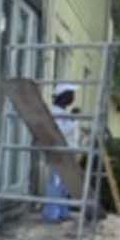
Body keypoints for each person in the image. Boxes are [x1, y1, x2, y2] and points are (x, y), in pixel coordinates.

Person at [42, 86, 79, 223]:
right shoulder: (54, 112)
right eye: (70, 94)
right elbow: (59, 131)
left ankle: (63, 212)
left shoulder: (64, 112)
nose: (72, 98)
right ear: (62, 96)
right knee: (56, 183)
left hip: (67, 152)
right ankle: (51, 215)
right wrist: (74, 120)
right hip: (59, 152)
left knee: (65, 185)